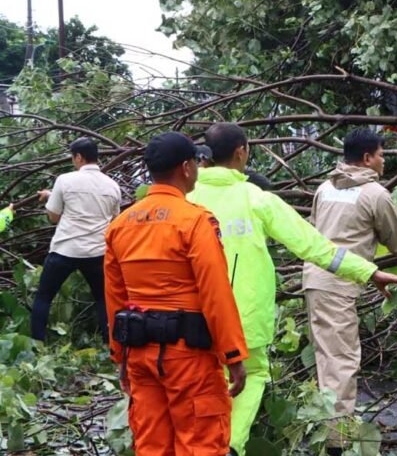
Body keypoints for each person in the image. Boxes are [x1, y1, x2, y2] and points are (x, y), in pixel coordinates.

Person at [187, 123, 397, 456]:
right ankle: (229, 446)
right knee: (253, 374)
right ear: (241, 152)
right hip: (243, 319)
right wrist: (369, 271)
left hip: (189, 316)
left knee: (199, 381)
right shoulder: (257, 199)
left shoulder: (185, 198)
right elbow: (314, 247)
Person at [104, 131, 248, 455]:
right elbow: (215, 292)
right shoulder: (195, 221)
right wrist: (234, 355)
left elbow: (115, 298)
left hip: (139, 355)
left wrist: (120, 357)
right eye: (196, 162)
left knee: (152, 445)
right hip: (189, 359)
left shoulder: (119, 225)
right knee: (200, 443)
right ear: (186, 168)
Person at [302, 128, 397, 449]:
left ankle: (327, 430)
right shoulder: (375, 194)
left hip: (315, 281)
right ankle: (337, 442)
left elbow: (312, 232)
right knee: (342, 362)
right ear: (366, 158)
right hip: (337, 284)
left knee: (328, 360)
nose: (383, 161)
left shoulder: (324, 188)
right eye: (380, 154)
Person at [33, 137, 121, 342]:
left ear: (79, 157)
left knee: (44, 297)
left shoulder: (65, 180)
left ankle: (37, 344)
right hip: (97, 252)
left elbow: (53, 216)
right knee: (102, 298)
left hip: (65, 249)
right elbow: (115, 221)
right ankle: (109, 344)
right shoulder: (112, 186)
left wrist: (52, 197)